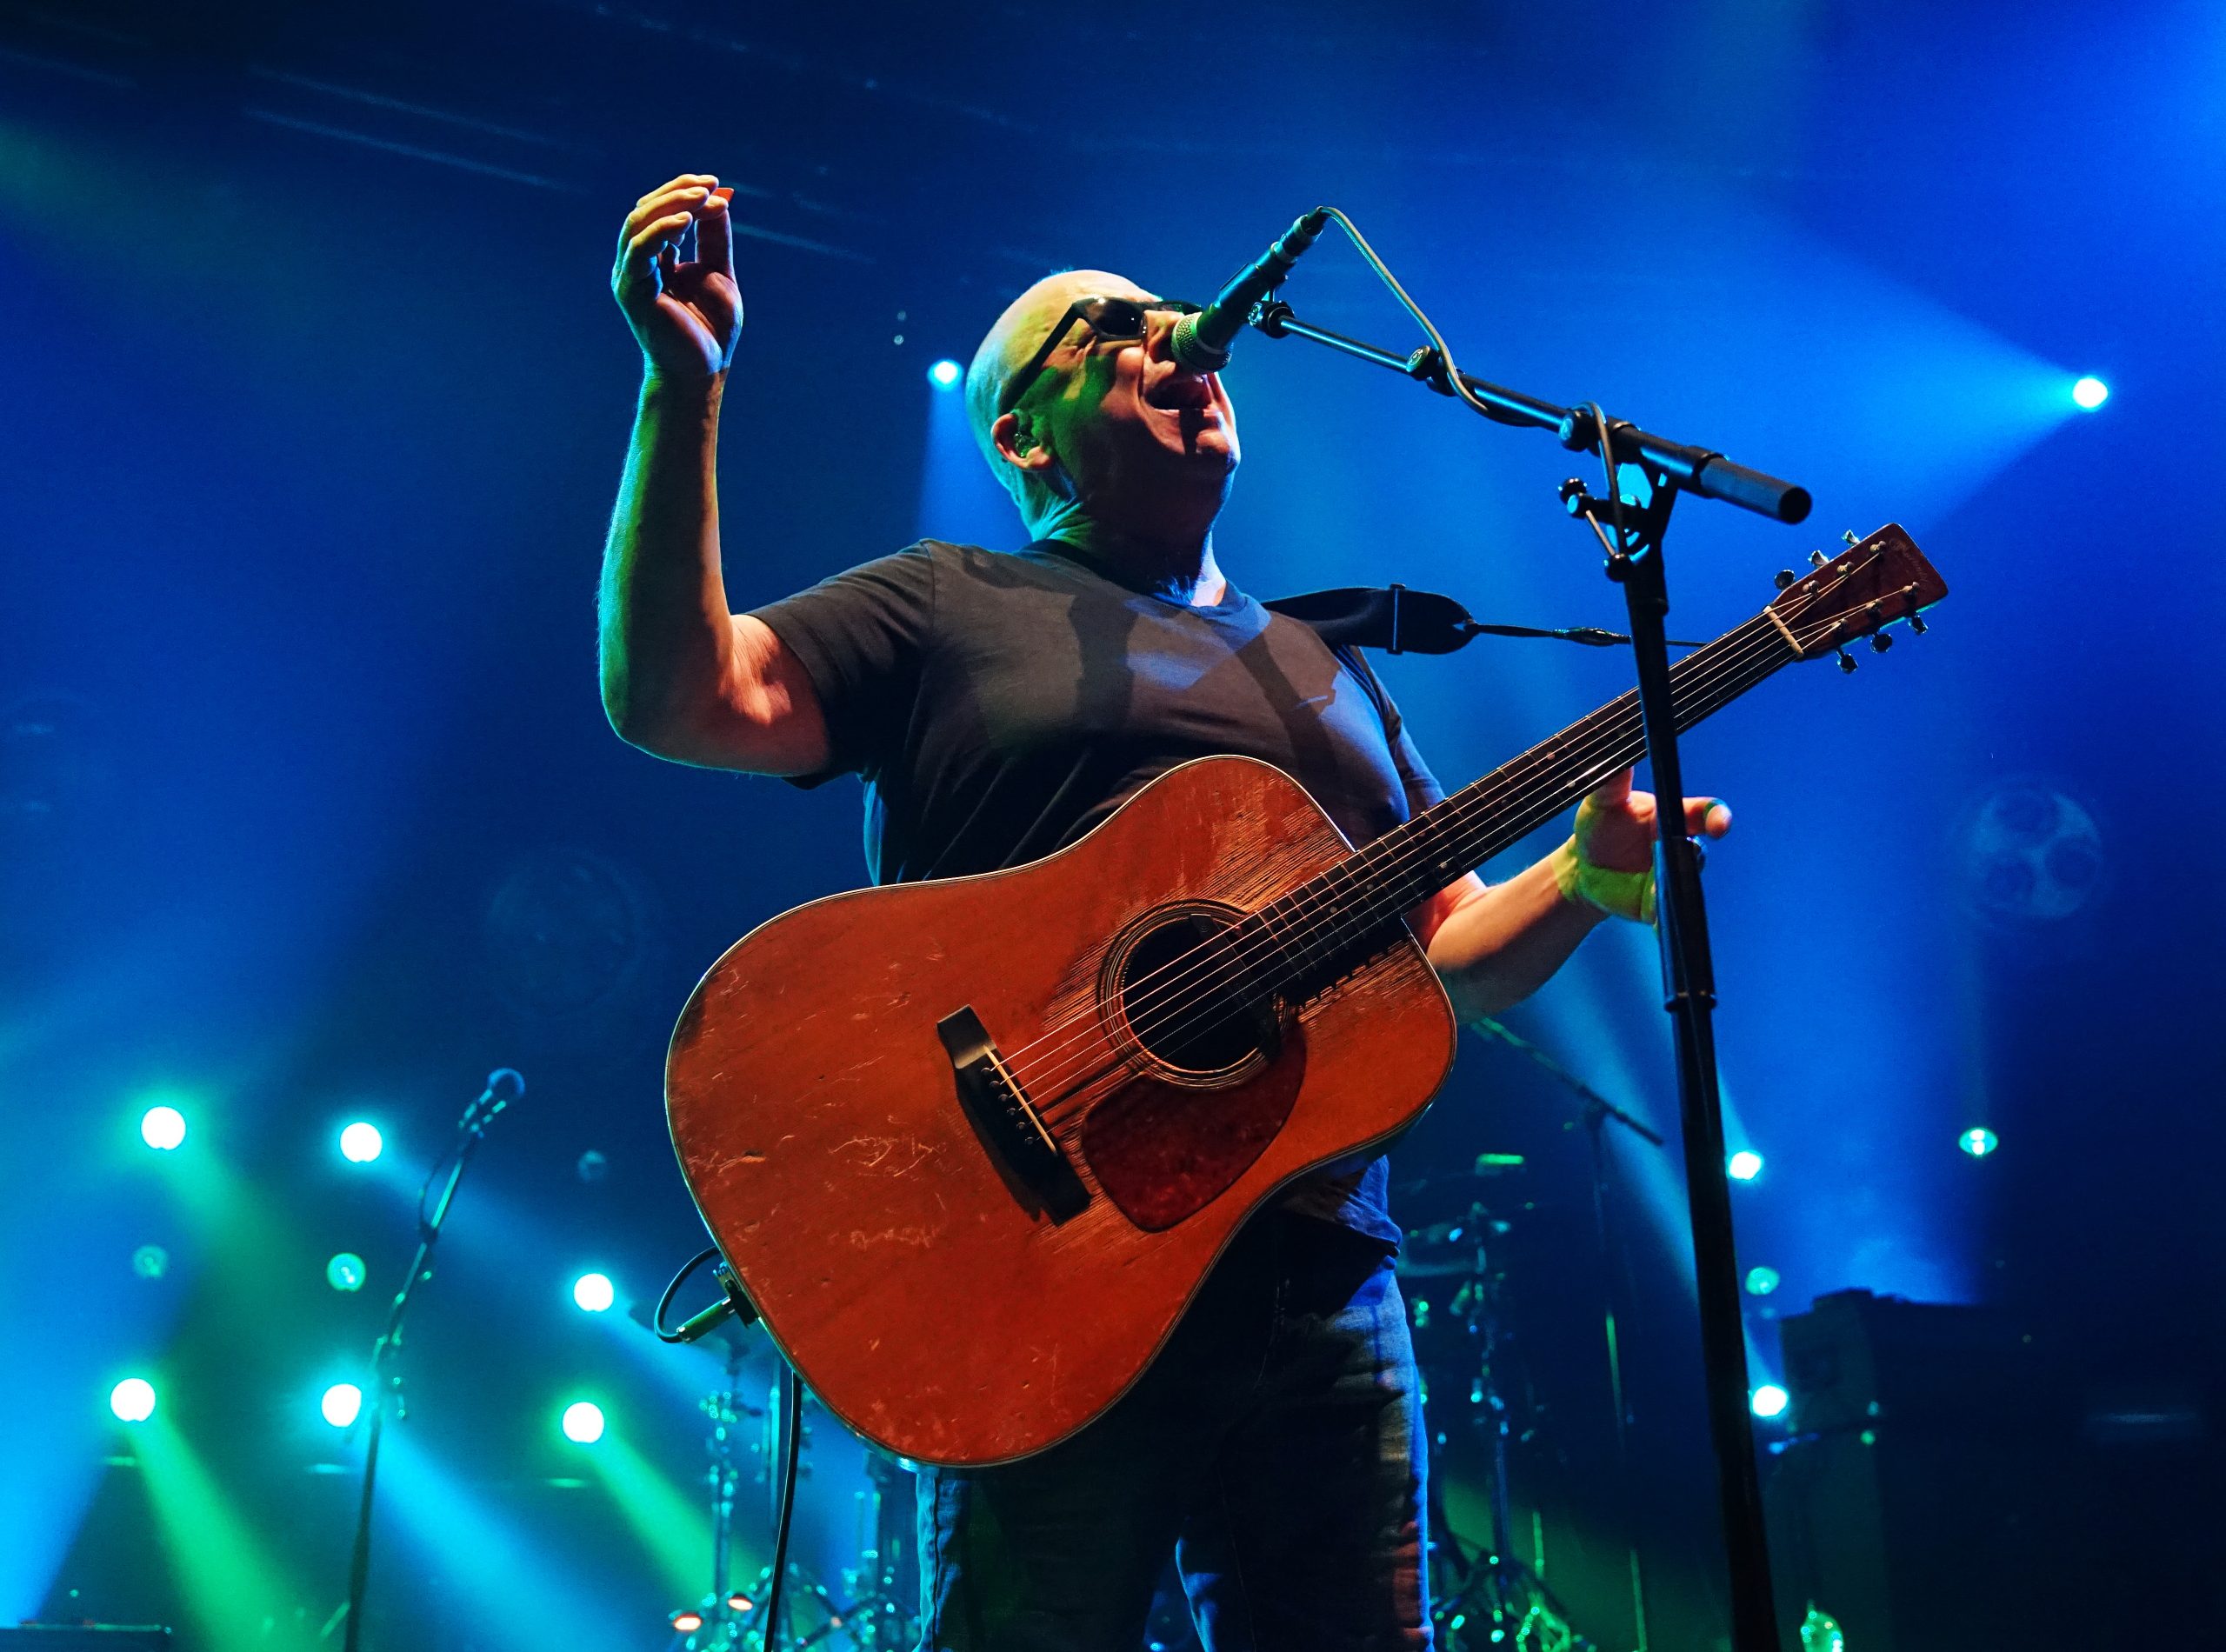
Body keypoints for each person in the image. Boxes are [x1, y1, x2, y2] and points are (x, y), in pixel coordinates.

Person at [600, 173, 1729, 1652]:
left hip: (1316, 1275)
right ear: (1022, 435)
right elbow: (679, 698)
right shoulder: (946, 603)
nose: (1177, 343)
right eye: (1114, 333)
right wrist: (682, 387)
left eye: (1176, 324)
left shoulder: (1320, 669)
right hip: (1044, 1266)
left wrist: (1579, 878)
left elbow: (1443, 953)